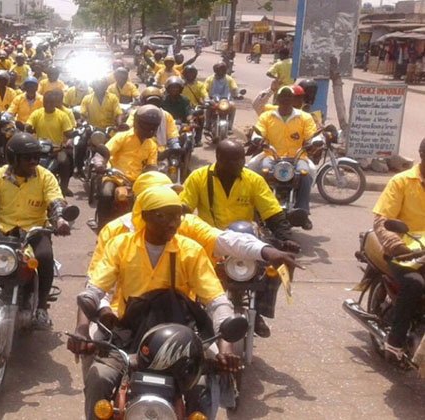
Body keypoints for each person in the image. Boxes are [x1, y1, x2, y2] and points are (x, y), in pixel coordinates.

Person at [69, 185, 238, 420]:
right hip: (130, 335)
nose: (173, 223)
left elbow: (217, 302)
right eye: (163, 216)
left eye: (177, 216)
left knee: (205, 387)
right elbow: (93, 292)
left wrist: (226, 347)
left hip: (182, 339)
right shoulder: (120, 245)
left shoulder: (191, 251)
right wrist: (82, 329)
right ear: (145, 216)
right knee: (99, 376)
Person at [0, 133, 72, 327]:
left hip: (34, 232)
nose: (33, 161)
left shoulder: (45, 176)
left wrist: (60, 221)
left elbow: (56, 201)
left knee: (45, 257)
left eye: (36, 157)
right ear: (13, 158)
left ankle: (41, 307)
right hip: (4, 230)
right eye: (27, 157)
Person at [180, 139, 298, 250]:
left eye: (242, 159)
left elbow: (272, 212)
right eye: (233, 160)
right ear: (219, 159)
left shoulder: (254, 180)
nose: (240, 164)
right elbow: (183, 210)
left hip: (244, 241)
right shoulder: (198, 177)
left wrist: (285, 238)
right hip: (209, 241)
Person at [371, 139, 425, 362]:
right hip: (406, 253)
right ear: (422, 153)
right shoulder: (401, 181)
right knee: (415, 284)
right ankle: (395, 339)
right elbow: (382, 220)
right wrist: (396, 245)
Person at [253, 86, 317, 228]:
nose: (286, 99)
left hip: (298, 157)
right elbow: (259, 131)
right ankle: (257, 208)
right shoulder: (267, 116)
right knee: (259, 172)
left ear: (293, 99)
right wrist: (258, 139)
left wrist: (312, 142)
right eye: (283, 96)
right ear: (278, 99)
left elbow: (311, 134)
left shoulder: (305, 117)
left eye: (289, 96)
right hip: (271, 155)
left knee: (306, 174)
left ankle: (303, 212)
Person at [90, 105, 161, 228]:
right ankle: (102, 227)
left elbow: (151, 166)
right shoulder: (122, 137)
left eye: (152, 125)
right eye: (146, 124)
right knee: (106, 194)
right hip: (115, 178)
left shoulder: (152, 145)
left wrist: (154, 175)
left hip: (137, 183)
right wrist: (100, 163)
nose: (149, 128)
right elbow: (104, 152)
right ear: (137, 122)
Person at [26, 90, 75, 195]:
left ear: (55, 103)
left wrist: (72, 134)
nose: (48, 104)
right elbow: (28, 125)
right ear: (43, 102)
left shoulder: (62, 116)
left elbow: (68, 131)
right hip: (39, 148)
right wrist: (28, 129)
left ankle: (64, 187)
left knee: (65, 162)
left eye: (51, 102)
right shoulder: (37, 113)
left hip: (56, 149)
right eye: (46, 102)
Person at [127, 87, 179, 153]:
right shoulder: (136, 114)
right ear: (144, 102)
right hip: (139, 149)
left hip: (161, 152)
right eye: (150, 102)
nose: (153, 104)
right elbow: (129, 127)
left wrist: (175, 145)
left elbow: (172, 133)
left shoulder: (166, 115)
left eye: (155, 102)